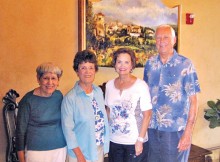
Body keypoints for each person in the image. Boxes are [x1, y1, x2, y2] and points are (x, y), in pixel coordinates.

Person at [143, 24, 201, 162]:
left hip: (175, 130)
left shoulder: (185, 64)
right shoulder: (150, 64)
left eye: (166, 37)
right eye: (158, 38)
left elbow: (194, 100)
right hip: (152, 128)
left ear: (174, 41)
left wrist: (188, 132)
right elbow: (145, 96)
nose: (161, 41)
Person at [105, 48, 152, 162]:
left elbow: (147, 115)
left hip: (134, 141)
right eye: (119, 61)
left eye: (126, 62)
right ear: (115, 64)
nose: (122, 65)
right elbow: (108, 111)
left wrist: (140, 140)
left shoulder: (141, 86)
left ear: (132, 65)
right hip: (114, 141)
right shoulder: (109, 85)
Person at [61, 50, 109, 162]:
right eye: (83, 68)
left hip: (98, 150)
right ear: (77, 71)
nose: (88, 72)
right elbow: (68, 131)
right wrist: (79, 156)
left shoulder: (98, 92)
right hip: (80, 154)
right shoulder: (70, 98)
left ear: (95, 70)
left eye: (91, 67)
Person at [16, 62, 67, 162]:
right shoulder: (28, 100)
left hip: (60, 148)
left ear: (58, 81)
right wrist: (21, 159)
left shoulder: (59, 96)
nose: (50, 82)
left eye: (53, 78)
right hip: (36, 151)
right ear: (38, 79)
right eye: (45, 78)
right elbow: (20, 132)